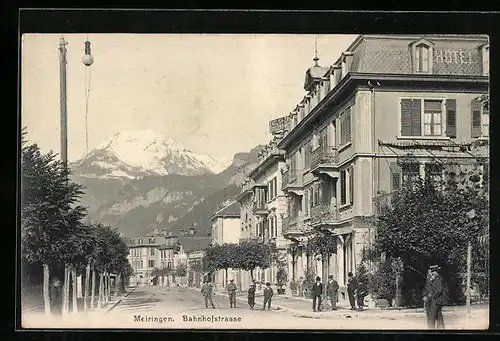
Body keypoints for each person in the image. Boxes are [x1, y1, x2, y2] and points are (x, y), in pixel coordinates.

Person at [426, 265, 445, 329]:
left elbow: (439, 291)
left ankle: (431, 330)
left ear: (436, 272)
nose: (433, 273)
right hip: (435, 301)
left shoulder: (438, 279)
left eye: (434, 271)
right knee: (439, 316)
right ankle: (441, 329)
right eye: (432, 271)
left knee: (432, 317)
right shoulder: (434, 279)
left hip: (436, 301)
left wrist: (431, 295)